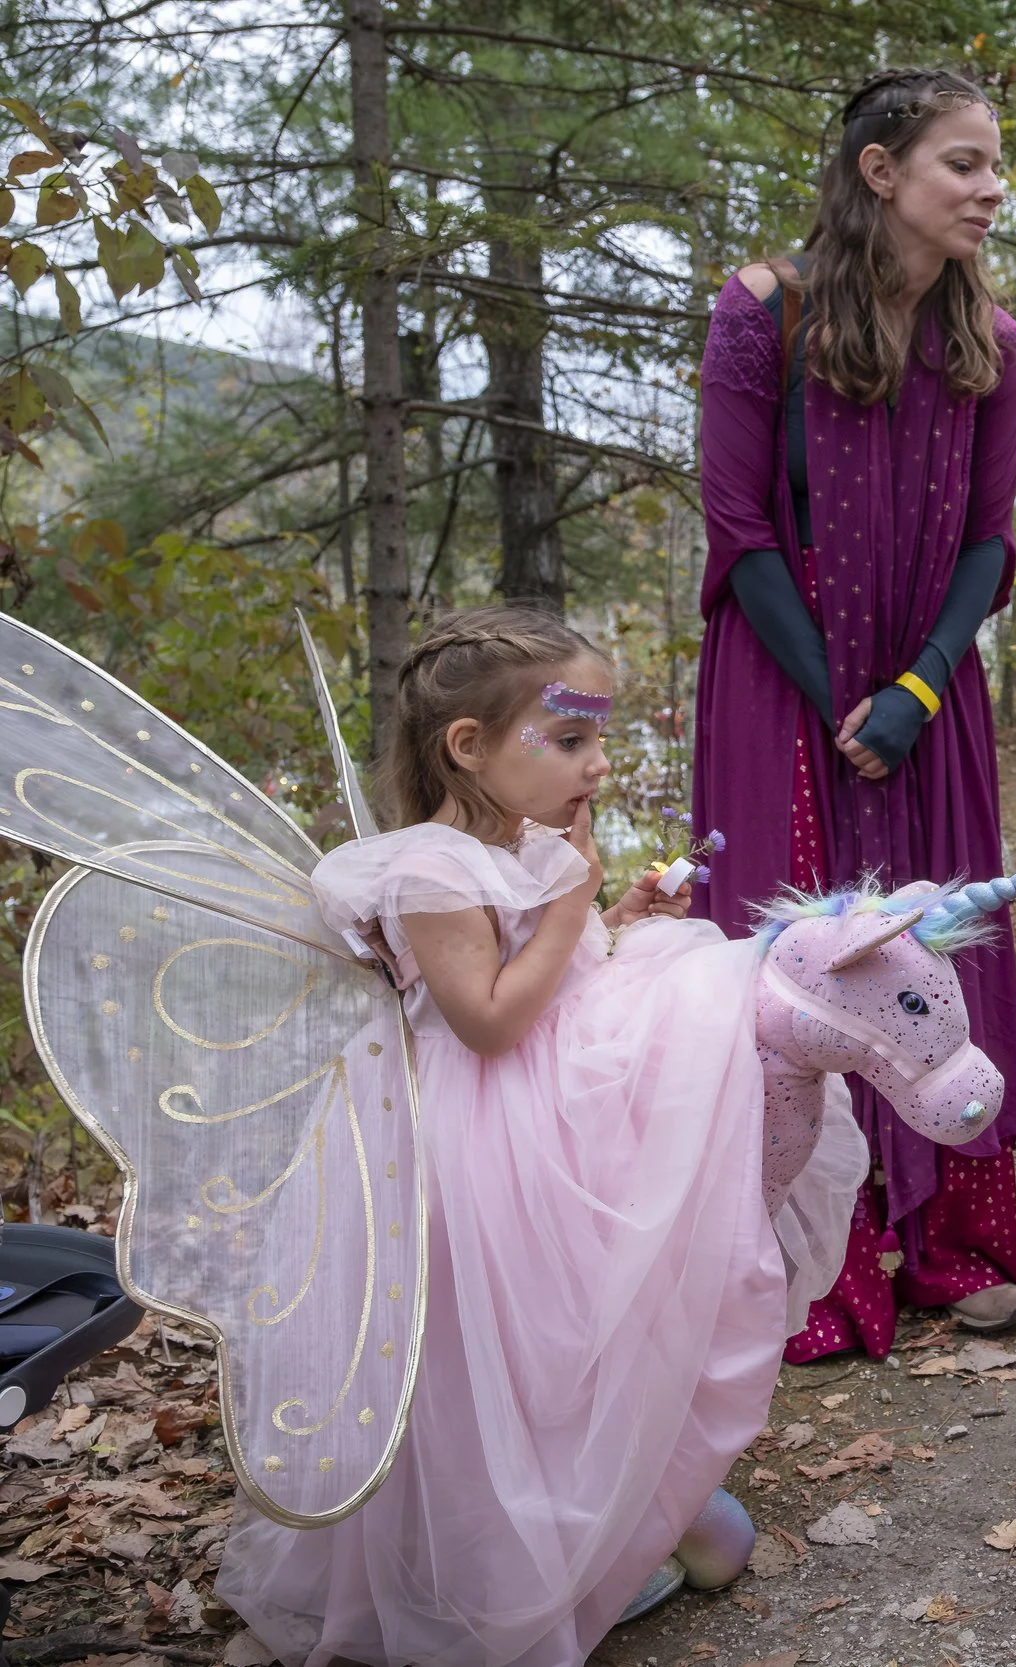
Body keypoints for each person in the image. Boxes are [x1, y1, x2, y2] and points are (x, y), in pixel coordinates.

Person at [220, 608, 857, 1664]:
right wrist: (573, 898)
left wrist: (621, 918)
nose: (597, 764)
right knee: (498, 1347)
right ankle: (501, 1547)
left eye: (597, 739)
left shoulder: (528, 844)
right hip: (471, 1141)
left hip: (558, 1108)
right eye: (569, 741)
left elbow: (565, 963)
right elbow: (489, 1016)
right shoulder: (426, 869)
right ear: (468, 746)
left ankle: (621, 1499)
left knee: (594, 1312)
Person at [691, 65, 1016, 1359]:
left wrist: (917, 684)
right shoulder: (762, 314)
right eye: (965, 163)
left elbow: (991, 544)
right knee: (799, 965)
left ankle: (948, 1239)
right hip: (780, 682)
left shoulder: (988, 344)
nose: (991, 189)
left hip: (926, 685)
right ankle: (816, 1273)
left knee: (934, 948)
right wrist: (842, 695)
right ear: (880, 172)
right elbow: (738, 522)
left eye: (997, 165)